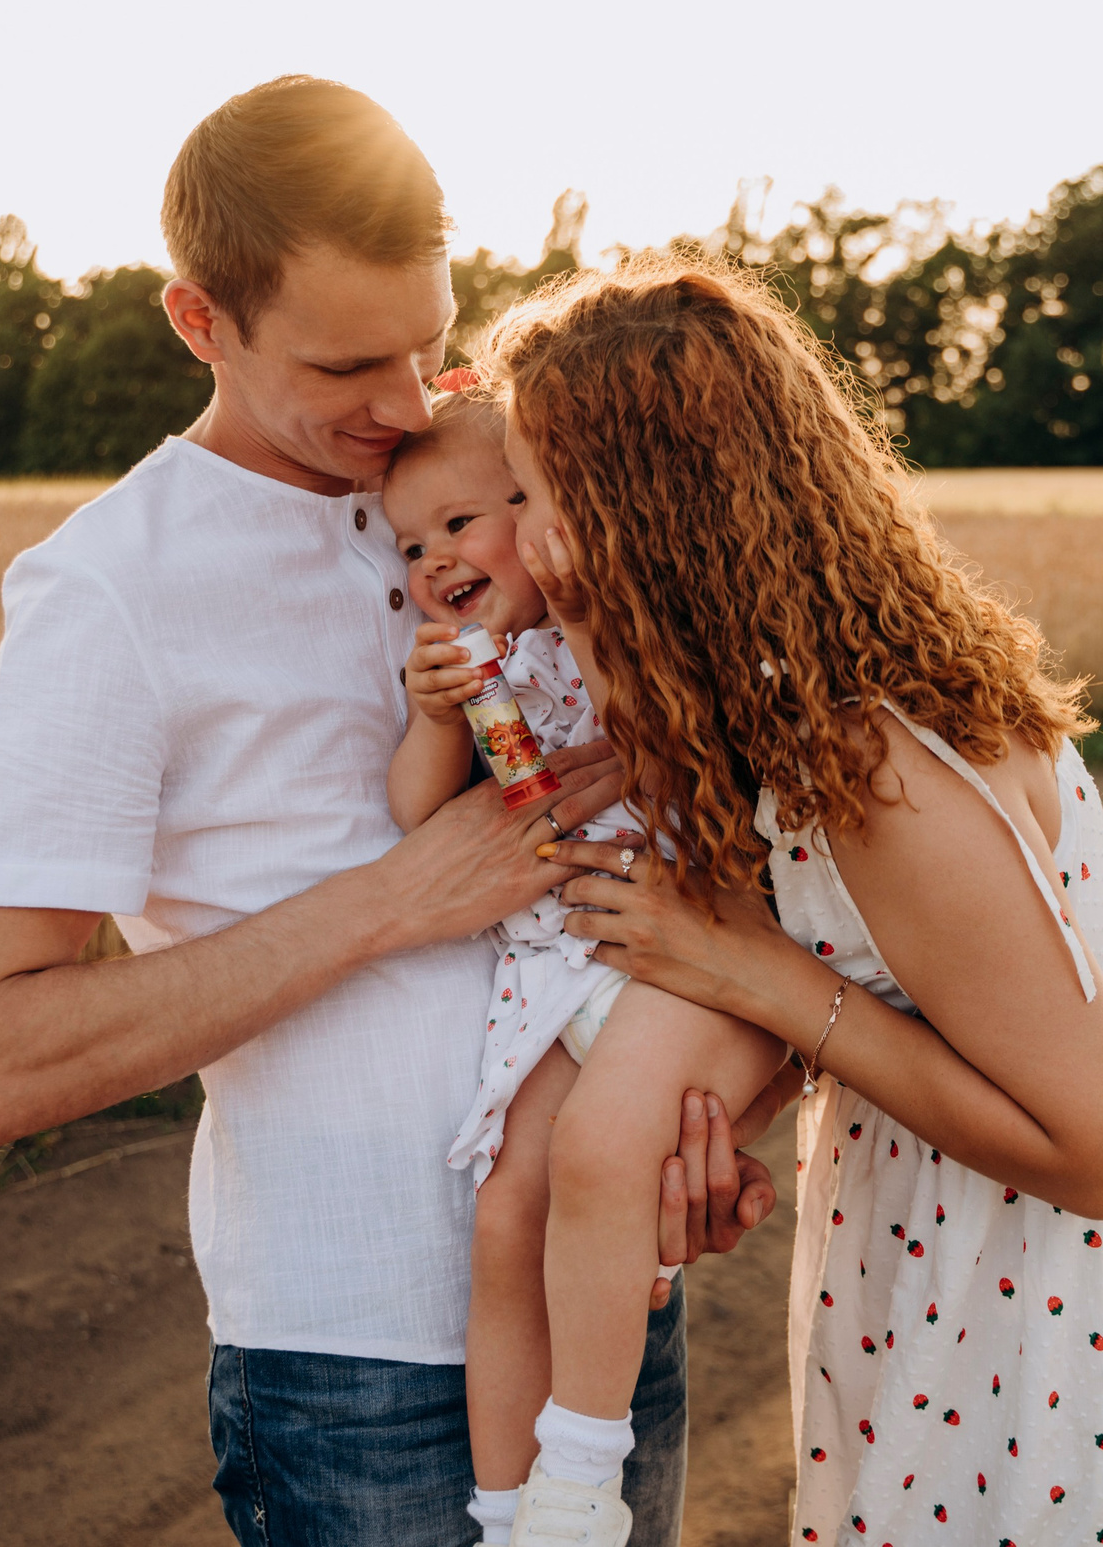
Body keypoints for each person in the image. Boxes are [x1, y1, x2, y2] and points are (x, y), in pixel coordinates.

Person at [0, 78, 773, 1547]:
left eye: (430, 343)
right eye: (350, 363)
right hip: (358, 1372)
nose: (408, 402)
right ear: (201, 323)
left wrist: (704, 1129)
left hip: (612, 1314)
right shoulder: (108, 588)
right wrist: (401, 894)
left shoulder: (525, 476)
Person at [477, 253, 1103, 1544]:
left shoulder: (882, 769)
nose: (520, 537)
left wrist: (759, 977)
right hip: (942, 1259)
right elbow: (908, 997)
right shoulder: (781, 716)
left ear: (646, 521)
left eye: (533, 493)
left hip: (1050, 1319)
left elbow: (1100, 1151)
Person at [381, 397, 792, 1546]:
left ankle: (578, 1477)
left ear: (545, 515)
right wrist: (429, 719)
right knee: (507, 1213)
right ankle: (505, 1510)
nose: (433, 559)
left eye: (459, 521)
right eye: (408, 544)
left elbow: (695, 771)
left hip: (673, 945)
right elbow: (420, 817)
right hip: (559, 967)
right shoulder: (482, 667)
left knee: (596, 1155)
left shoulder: (627, 621)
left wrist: (592, 619)